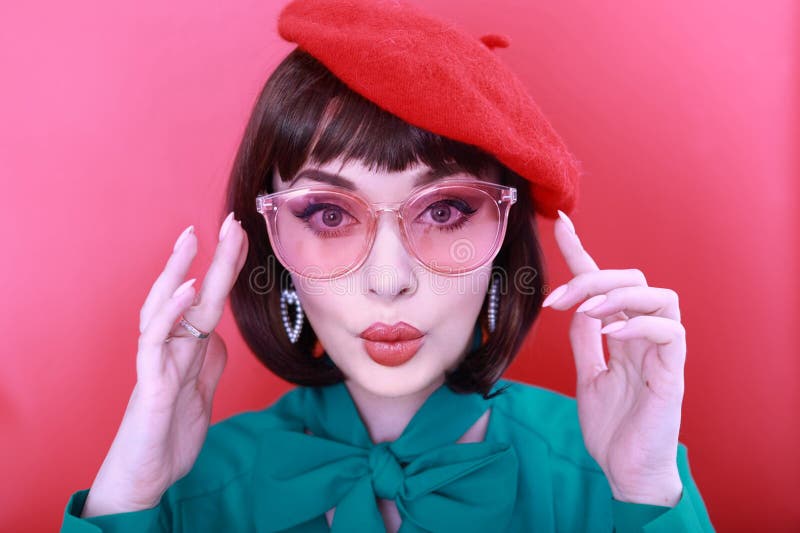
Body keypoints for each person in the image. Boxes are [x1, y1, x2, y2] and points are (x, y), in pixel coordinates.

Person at [60, 0, 715, 531]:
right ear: (271, 242)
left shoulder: (608, 476)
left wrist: (645, 490)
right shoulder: (178, 490)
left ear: (506, 234)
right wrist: (130, 490)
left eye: (445, 210)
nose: (389, 279)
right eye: (328, 214)